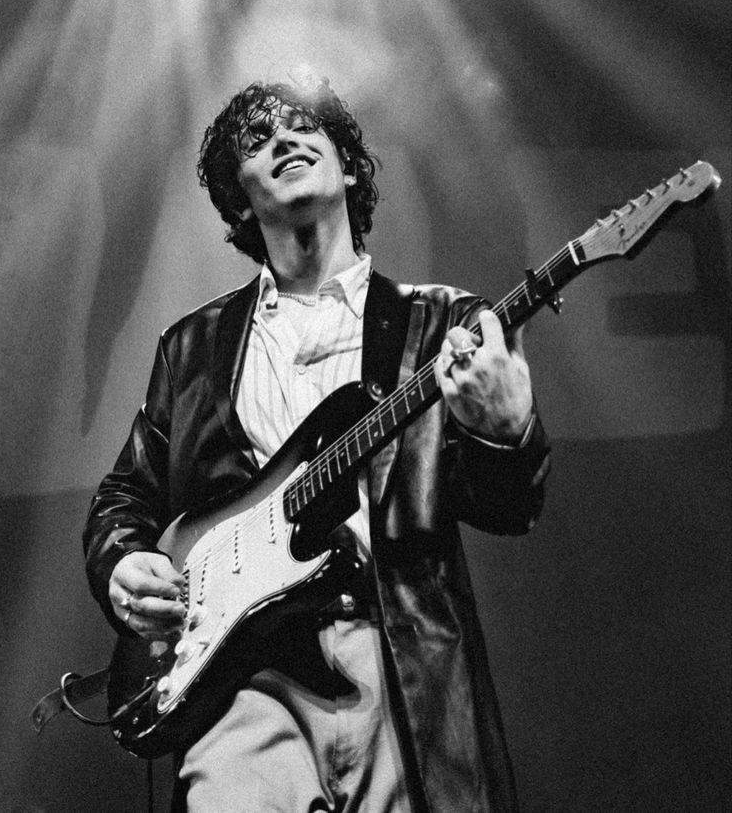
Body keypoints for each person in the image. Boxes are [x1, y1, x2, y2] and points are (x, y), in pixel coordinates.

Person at [84, 77, 551, 812]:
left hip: (397, 668)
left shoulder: (441, 324)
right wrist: (121, 563)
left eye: (306, 127)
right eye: (257, 139)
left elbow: (508, 506)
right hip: (243, 680)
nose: (284, 139)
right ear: (239, 200)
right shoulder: (193, 346)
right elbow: (126, 495)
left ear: (352, 167)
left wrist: (505, 430)